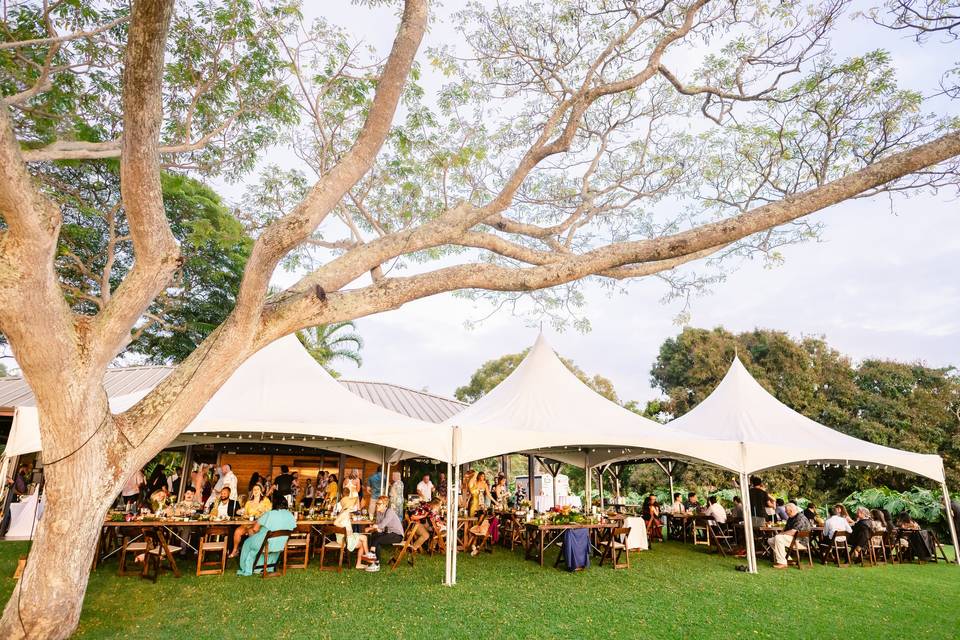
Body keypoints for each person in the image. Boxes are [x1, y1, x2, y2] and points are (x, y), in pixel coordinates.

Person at [236, 497, 296, 576]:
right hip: (280, 544)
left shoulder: (269, 514)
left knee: (247, 542)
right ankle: (268, 566)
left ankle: (247, 567)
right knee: (257, 542)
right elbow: (293, 528)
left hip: (265, 543)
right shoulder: (290, 515)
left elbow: (255, 529)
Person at [360, 496, 405, 572]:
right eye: (377, 503)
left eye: (379, 504)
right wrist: (376, 529)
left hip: (397, 535)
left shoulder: (389, 511)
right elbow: (379, 527)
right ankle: (375, 561)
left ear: (385, 505)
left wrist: (370, 528)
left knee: (378, 539)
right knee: (374, 535)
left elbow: (382, 525)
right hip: (388, 532)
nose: (377, 505)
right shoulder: (379, 513)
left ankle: (372, 555)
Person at [230, 484, 273, 558]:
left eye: (257, 489)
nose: (256, 491)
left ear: (260, 491)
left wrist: (262, 511)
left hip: (259, 524)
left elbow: (269, 511)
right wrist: (242, 513)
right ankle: (235, 550)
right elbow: (245, 515)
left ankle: (252, 552)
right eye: (254, 489)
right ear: (252, 492)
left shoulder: (265, 500)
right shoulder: (248, 503)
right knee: (237, 531)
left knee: (251, 531)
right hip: (248, 523)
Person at [766, 502, 811, 569]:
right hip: (793, 539)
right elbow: (785, 529)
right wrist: (780, 534)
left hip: (800, 542)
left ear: (791, 511)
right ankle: (788, 559)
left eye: (786, 511)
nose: (785, 512)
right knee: (770, 540)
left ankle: (782, 563)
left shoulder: (800, 518)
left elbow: (793, 532)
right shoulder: (791, 518)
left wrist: (780, 535)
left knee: (779, 538)